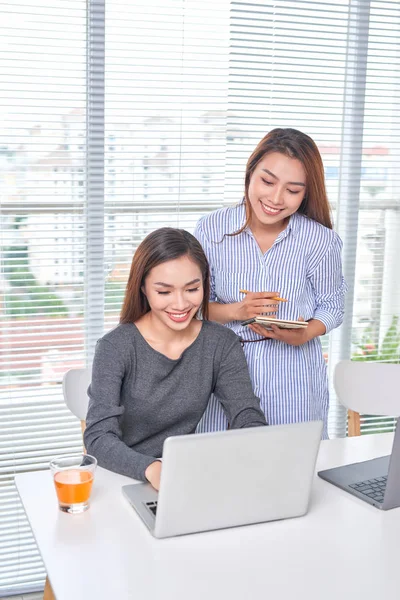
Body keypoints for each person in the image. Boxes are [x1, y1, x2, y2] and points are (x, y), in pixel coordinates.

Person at [84, 228, 267, 490]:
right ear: (143, 289)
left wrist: (260, 446)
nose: (180, 304)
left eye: (192, 289)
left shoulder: (220, 343)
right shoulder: (116, 347)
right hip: (122, 477)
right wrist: (152, 469)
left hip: (183, 474)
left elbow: (245, 412)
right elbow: (98, 437)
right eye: (164, 292)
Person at [194, 127, 347, 439]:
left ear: (306, 193)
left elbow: (334, 306)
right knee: (218, 469)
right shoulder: (211, 229)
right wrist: (236, 311)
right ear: (250, 172)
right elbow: (193, 305)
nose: (276, 199)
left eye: (293, 190)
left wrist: (305, 333)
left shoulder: (320, 240)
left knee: (291, 470)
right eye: (267, 181)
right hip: (223, 374)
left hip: (294, 379)